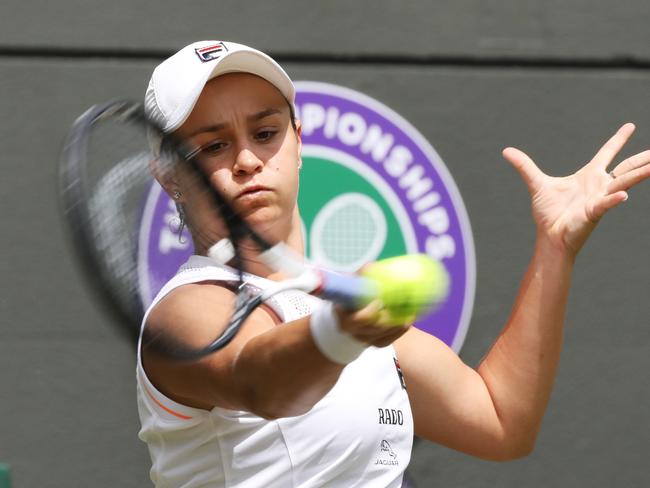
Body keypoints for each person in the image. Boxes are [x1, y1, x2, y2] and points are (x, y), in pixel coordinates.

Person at [136, 40, 650, 488]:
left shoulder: (344, 312)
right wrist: (342, 330)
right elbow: (258, 383)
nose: (247, 160)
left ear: (298, 140)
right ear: (169, 176)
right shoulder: (185, 313)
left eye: (265, 133)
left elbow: (501, 422)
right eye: (214, 146)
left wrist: (556, 247)